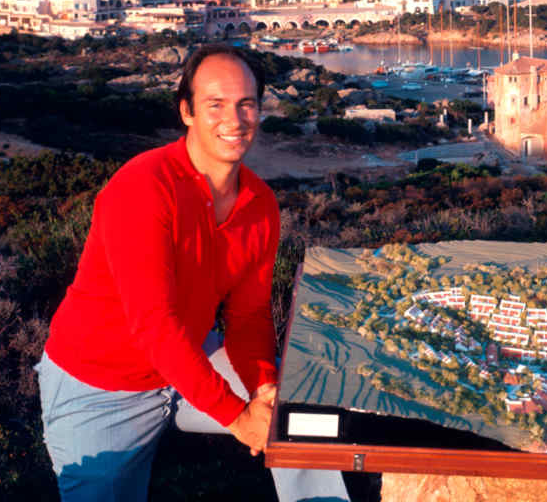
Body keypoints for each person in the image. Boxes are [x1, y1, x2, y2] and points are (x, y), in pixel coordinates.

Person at [36, 44, 346, 501]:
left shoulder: (259, 205)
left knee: (295, 417)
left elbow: (248, 317)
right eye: (215, 104)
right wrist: (238, 419)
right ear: (187, 111)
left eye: (246, 104)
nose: (234, 119)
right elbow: (154, 327)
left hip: (190, 361)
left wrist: (263, 390)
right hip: (102, 385)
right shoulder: (144, 188)